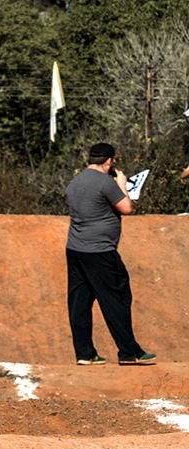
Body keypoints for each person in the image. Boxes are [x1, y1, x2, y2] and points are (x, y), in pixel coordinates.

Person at [65, 142, 154, 366]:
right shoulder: (105, 182)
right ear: (109, 161)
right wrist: (122, 185)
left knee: (80, 302)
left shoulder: (76, 181)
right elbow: (126, 208)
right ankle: (129, 352)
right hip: (100, 251)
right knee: (117, 298)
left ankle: (85, 353)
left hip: (76, 248)